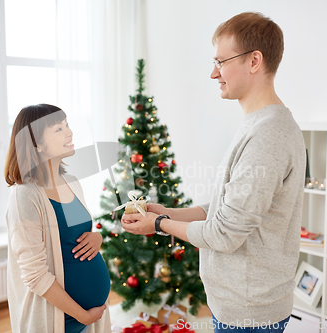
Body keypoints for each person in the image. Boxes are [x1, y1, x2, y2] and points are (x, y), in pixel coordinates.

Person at [121, 12, 305, 333]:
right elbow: (225, 210)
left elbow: (225, 234)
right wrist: (168, 213)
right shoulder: (257, 125)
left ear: (254, 60)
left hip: (249, 310)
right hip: (239, 302)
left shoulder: (267, 135)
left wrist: (160, 224)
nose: (213, 73)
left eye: (220, 61)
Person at [4, 104, 111, 333]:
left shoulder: (69, 181)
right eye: (58, 129)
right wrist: (83, 315)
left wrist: (97, 238)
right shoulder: (26, 195)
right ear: (37, 144)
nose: (69, 132)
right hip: (61, 318)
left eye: (67, 125)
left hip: (90, 316)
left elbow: (74, 234)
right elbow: (35, 275)